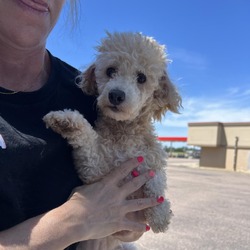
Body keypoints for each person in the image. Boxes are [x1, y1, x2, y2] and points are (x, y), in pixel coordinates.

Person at [0, 0, 163, 249]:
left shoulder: (92, 98)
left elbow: (129, 224)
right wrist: (74, 220)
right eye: (111, 71)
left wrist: (129, 222)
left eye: (140, 78)